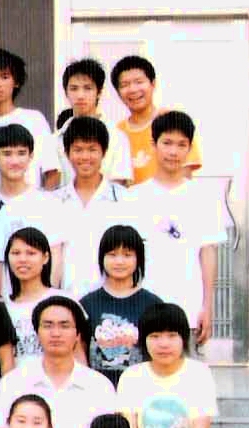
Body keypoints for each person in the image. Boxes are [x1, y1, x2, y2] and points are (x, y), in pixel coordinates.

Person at [131, 111, 227, 345]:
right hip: (142, 310)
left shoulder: (203, 197)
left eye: (181, 144)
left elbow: (207, 252)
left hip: (188, 310)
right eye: (167, 143)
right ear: (153, 144)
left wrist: (207, 306)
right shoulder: (133, 197)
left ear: (189, 148)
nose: (173, 151)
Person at [0, 296, 111, 428]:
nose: (56, 333)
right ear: (37, 332)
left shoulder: (99, 386)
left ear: (78, 335)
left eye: (64, 326)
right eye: (47, 325)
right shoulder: (13, 382)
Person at [53, 117, 137, 296]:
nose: (85, 157)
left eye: (92, 149)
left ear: (104, 152)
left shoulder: (124, 200)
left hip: (112, 300)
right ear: (67, 153)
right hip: (67, 300)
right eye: (78, 150)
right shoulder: (54, 201)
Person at [80, 225, 163, 386]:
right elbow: (79, 351)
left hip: (140, 388)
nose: (119, 261)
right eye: (112, 254)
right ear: (102, 258)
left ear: (139, 259)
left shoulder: (153, 304)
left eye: (127, 255)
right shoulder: (87, 304)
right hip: (97, 389)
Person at [0, 125, 63, 296]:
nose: (14, 161)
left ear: (31, 156)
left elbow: (55, 260)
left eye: (21, 153)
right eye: (7, 153)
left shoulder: (47, 204)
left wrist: (45, 300)